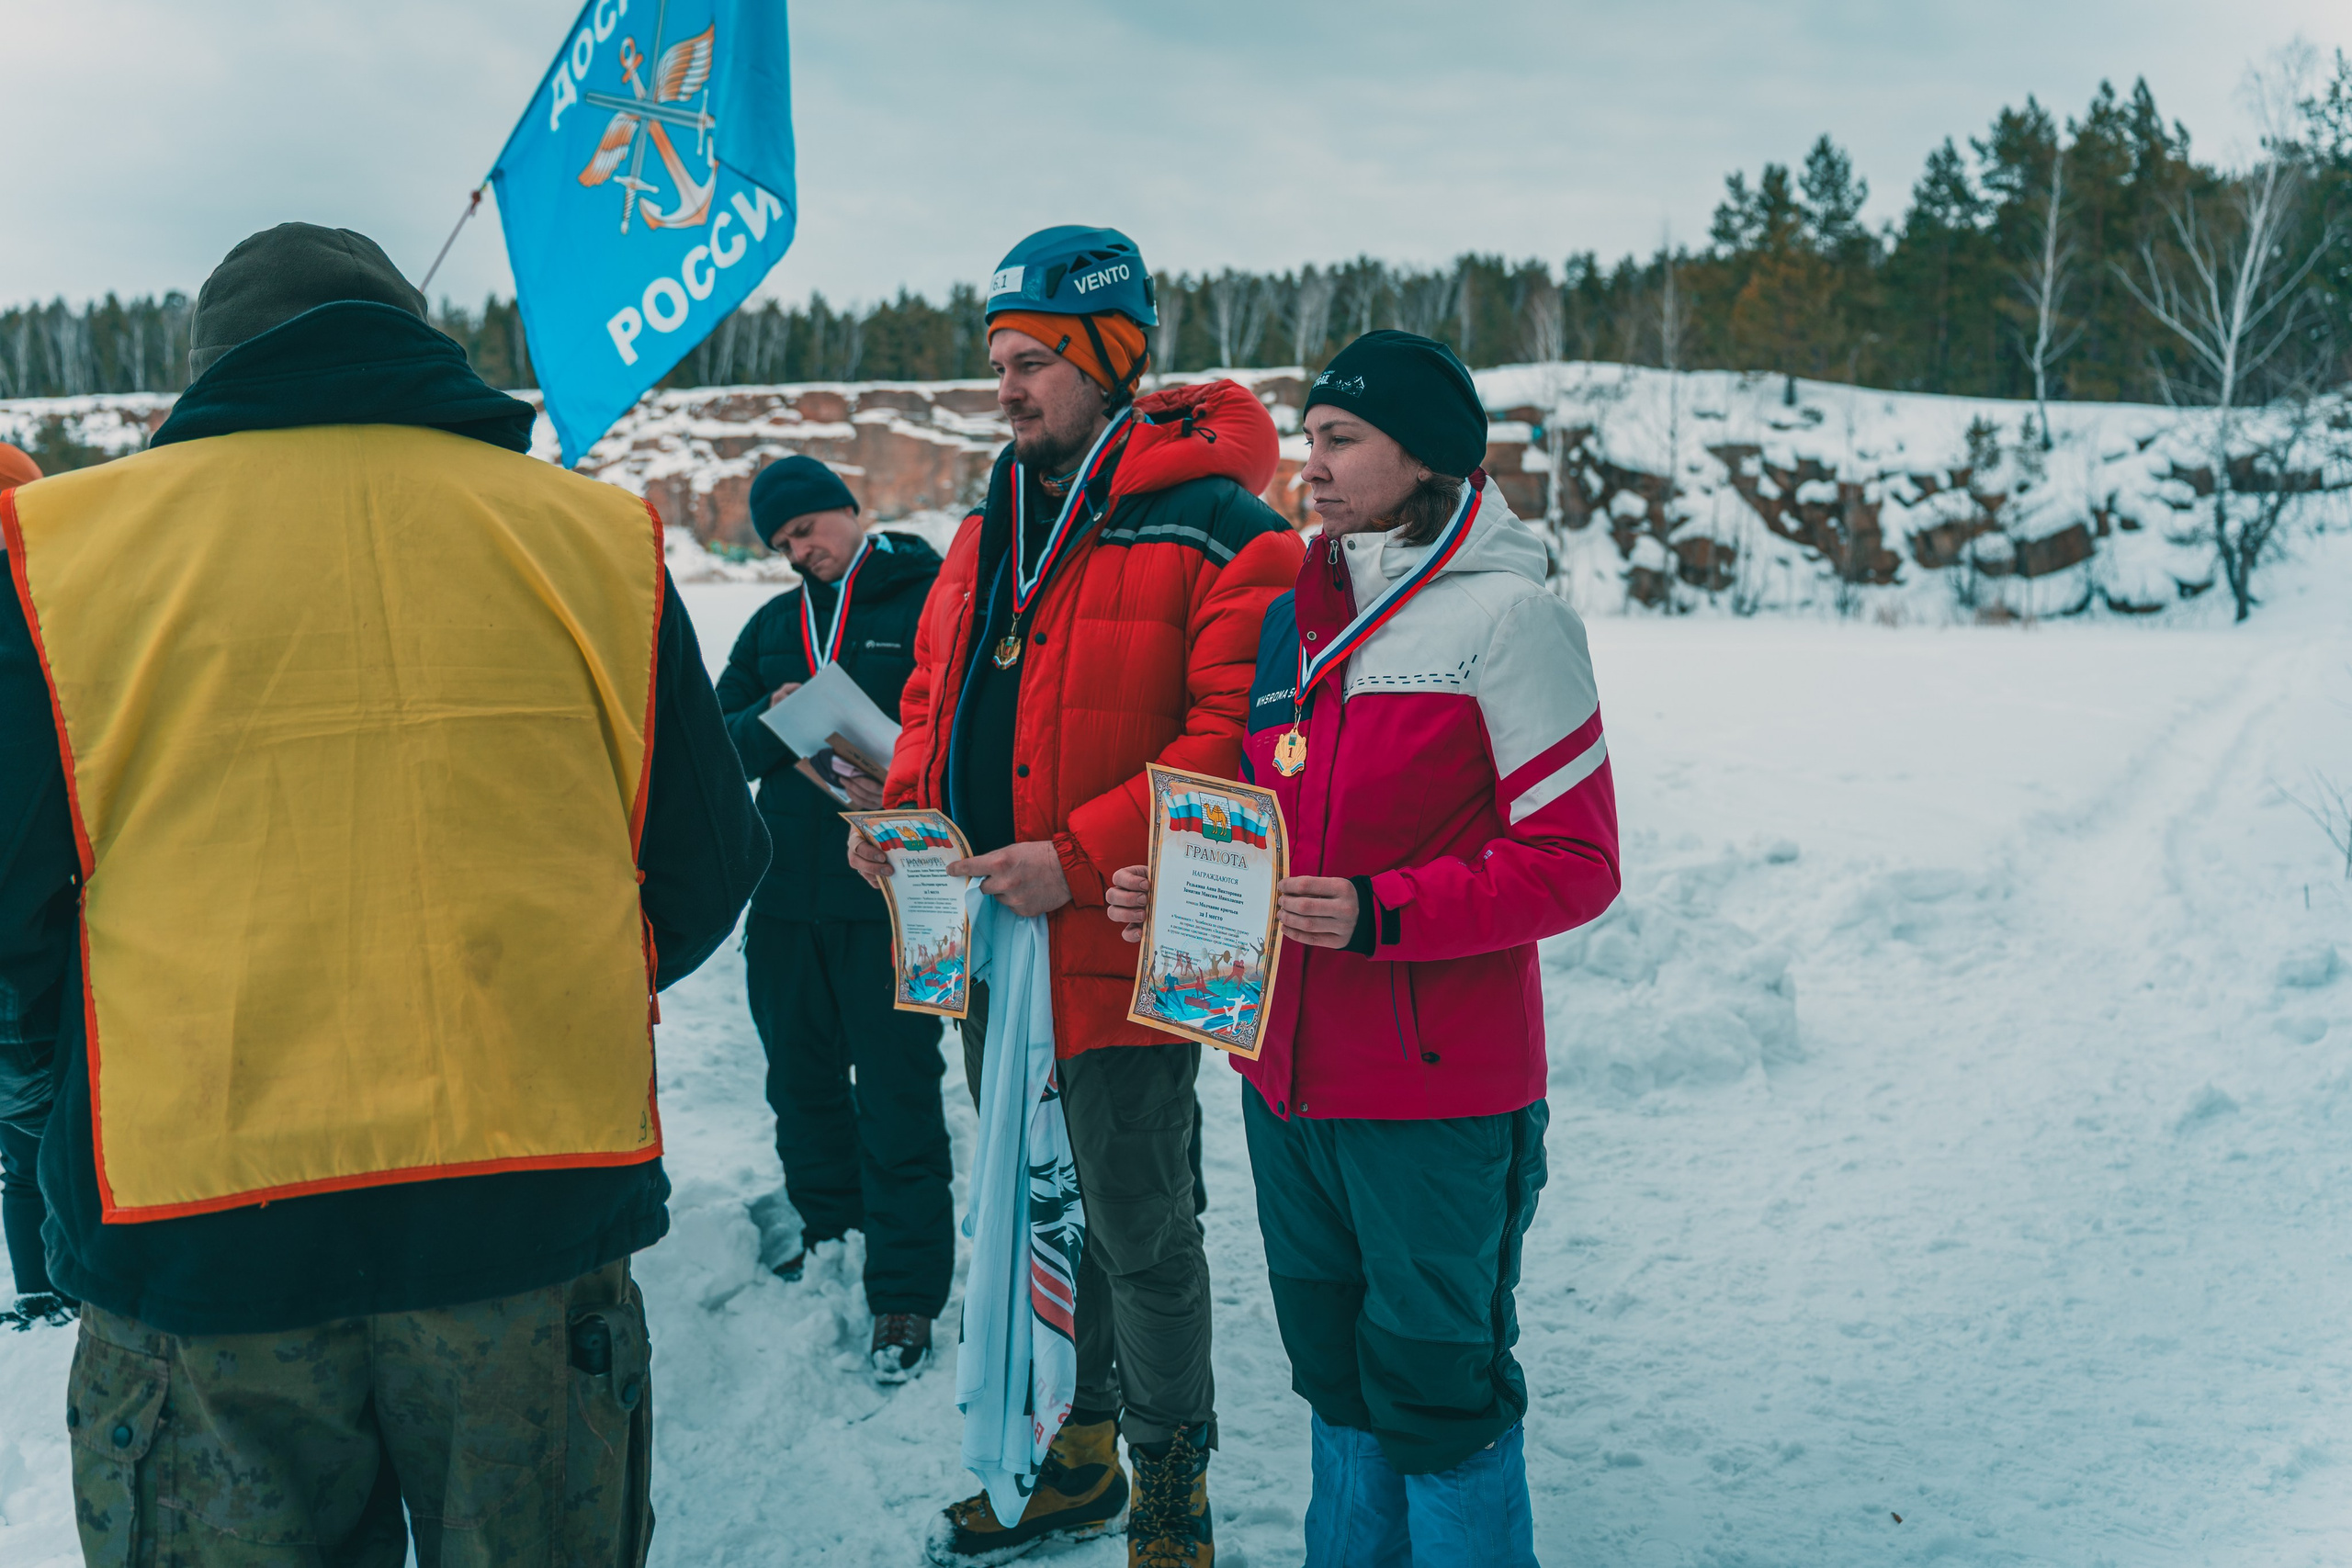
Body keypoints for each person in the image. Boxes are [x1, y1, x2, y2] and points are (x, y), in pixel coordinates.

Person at [0, 224, 768, 1566]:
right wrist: (541, 997)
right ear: (419, 346)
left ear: (206, 370)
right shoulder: (596, 538)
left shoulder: (57, 554)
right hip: (529, 1217)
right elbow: (706, 864)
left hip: (196, 1239)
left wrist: (55, 1094)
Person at [1106, 331, 1623, 1567]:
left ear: (1424, 455)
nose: (1312, 463)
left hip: (1436, 1092)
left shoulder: (1511, 617)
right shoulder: (1293, 621)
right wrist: (1175, 887)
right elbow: (1263, 823)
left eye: (1341, 439)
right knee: (1337, 1376)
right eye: (1312, 436)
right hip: (1286, 1082)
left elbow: (1579, 863)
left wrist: (1384, 911)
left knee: (1440, 1387)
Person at [854, 226, 1303, 1567]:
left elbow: (1237, 736)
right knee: (1044, 1207)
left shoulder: (1228, 526)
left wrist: (1082, 854)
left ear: (1114, 358)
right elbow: (934, 698)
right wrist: (902, 821)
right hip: (991, 940)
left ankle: (1173, 1497)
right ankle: (1078, 1452)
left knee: (1139, 1220)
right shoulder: (989, 517)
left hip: (1112, 938)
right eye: (997, 361)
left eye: (1035, 359)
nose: (1007, 386)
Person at [715, 454, 953, 1383]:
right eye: (781, 544)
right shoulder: (773, 625)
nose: (799, 553)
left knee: (897, 1097)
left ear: (847, 509)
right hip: (782, 906)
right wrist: (768, 725)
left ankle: (904, 1293)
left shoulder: (928, 600)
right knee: (801, 1087)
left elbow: (967, 725)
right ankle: (828, 1238)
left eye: (808, 530)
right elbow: (708, 741)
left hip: (894, 902)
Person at [0, 438, 71, 1333]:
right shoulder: (49, 607)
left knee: (21, 1144)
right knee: (56, 1136)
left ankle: (40, 1285)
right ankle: (69, 1282)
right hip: (47, 938)